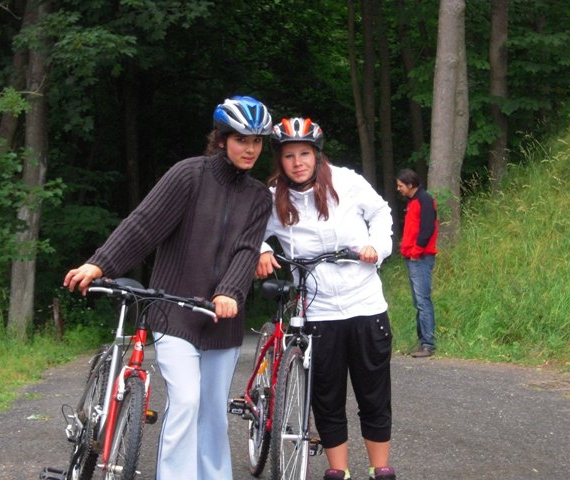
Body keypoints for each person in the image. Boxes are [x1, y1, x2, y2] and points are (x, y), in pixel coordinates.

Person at [63, 96, 273, 480]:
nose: (250, 149)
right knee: (187, 401)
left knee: (213, 413)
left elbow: (247, 251)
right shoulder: (189, 175)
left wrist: (229, 292)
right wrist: (100, 263)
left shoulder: (258, 196)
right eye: (242, 139)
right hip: (174, 310)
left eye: (257, 141)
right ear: (222, 139)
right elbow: (145, 224)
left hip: (223, 320)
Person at [256, 118, 396, 480]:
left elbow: (381, 212)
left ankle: (380, 468)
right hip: (318, 310)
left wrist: (376, 246)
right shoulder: (273, 198)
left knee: (373, 393)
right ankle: (339, 470)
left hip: (365, 303)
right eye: (289, 155)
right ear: (280, 160)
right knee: (327, 396)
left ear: (317, 155)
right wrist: (262, 251)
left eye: (304, 154)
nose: (297, 162)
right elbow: (249, 231)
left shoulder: (346, 181)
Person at [395, 168, 438, 358]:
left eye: (400, 185)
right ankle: (423, 342)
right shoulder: (413, 202)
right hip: (413, 257)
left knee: (423, 301)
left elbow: (427, 228)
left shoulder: (424, 200)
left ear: (410, 184)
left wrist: (416, 252)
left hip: (420, 258)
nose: (398, 189)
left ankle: (428, 344)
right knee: (418, 302)